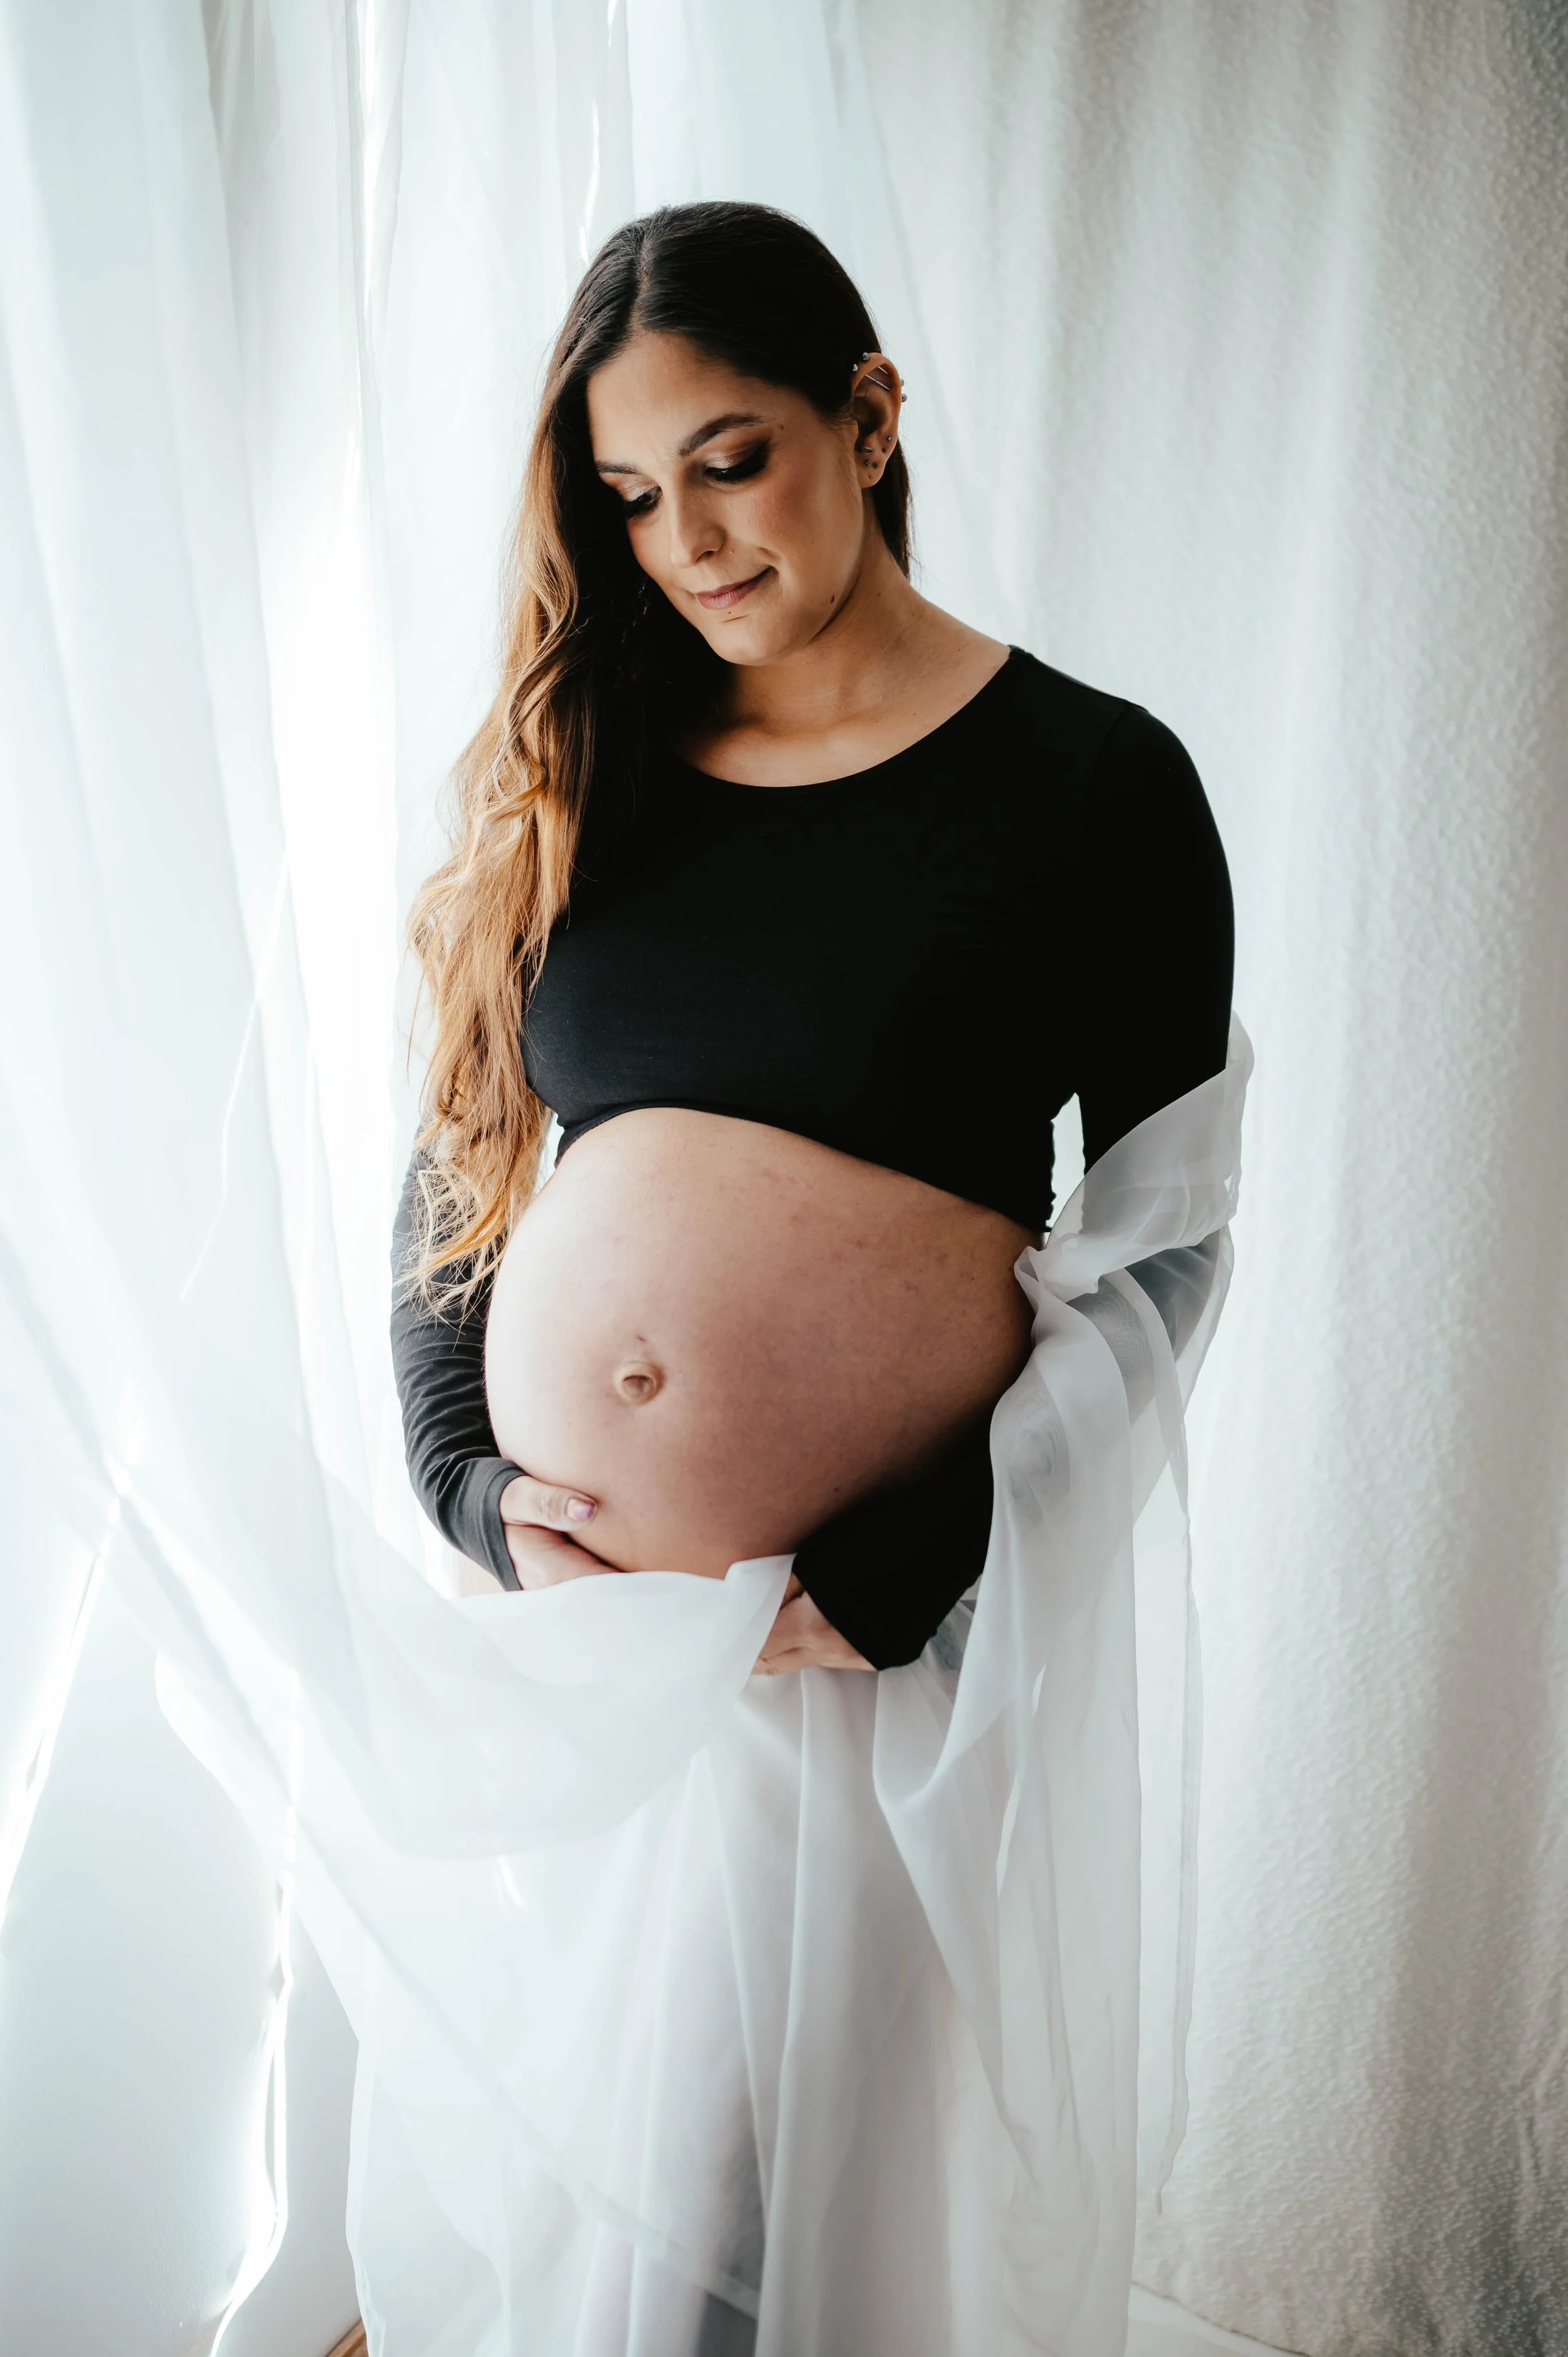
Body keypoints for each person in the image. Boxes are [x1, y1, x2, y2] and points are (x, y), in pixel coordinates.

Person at [391, 201, 1233, 1698]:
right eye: (633, 495)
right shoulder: (586, 777)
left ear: (865, 417)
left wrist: (913, 1571)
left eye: (728, 465)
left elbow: (1157, 1256)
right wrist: (464, 1477)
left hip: (871, 1653)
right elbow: (464, 1163)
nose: (688, 541)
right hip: (574, 1651)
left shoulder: (1093, 784)